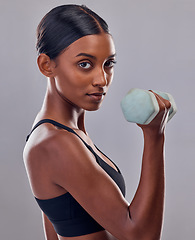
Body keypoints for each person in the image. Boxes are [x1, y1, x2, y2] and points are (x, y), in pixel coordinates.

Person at [23, 4, 171, 240]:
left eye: (108, 64)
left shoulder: (64, 132)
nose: (102, 79)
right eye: (85, 64)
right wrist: (155, 136)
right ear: (46, 65)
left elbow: (54, 230)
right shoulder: (56, 142)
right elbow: (141, 235)